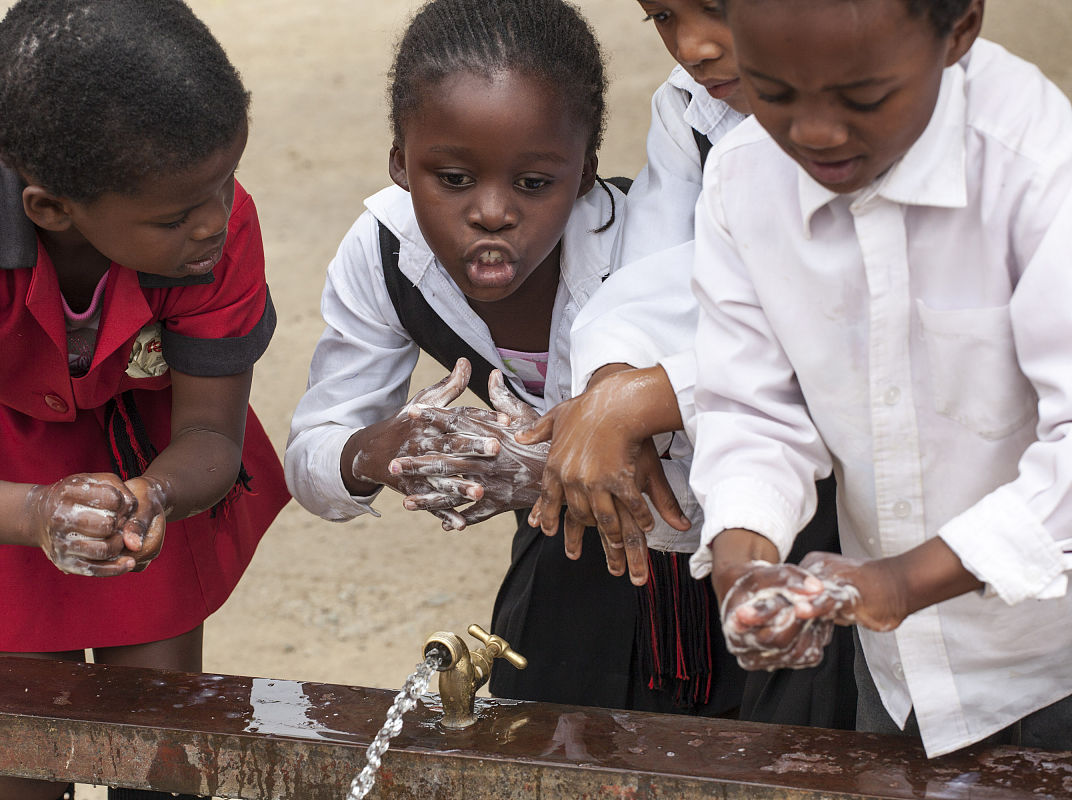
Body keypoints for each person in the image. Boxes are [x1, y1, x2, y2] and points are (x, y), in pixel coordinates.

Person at [0, 1, 290, 797]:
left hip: (146, 456)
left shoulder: (217, 225)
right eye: (176, 215)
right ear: (52, 209)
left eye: (224, 180)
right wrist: (38, 514)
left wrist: (154, 495)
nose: (216, 222)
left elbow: (209, 435)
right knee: (25, 752)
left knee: (159, 744)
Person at [286, 0, 741, 715]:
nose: (492, 212)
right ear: (401, 162)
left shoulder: (645, 255)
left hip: (730, 567)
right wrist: (384, 451)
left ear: (586, 171)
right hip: (567, 577)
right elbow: (312, 453)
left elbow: (717, 455)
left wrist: (530, 467)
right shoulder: (385, 256)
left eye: (534, 184)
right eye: (454, 179)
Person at [686, 0, 1072, 757]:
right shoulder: (742, 182)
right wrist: (744, 557)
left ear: (959, 29)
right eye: (773, 91)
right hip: (897, 677)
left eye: (862, 99)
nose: (815, 132)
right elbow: (752, 408)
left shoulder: (1039, 167)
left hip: (1054, 660)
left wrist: (899, 585)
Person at [516, 0, 854, 729]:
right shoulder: (693, 109)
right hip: (756, 469)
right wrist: (611, 386)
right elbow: (660, 278)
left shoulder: (858, 132)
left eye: (719, 8)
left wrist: (643, 400)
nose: (694, 46)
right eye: (663, 15)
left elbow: (831, 326)